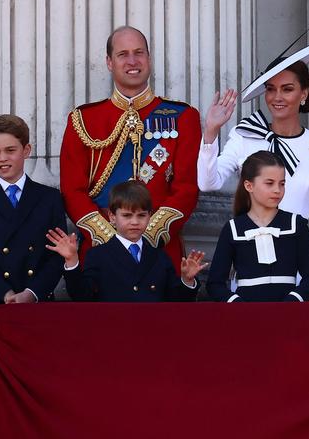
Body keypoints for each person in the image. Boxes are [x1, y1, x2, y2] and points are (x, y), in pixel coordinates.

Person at [59, 25, 202, 273]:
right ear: (109, 62)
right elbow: (72, 191)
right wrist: (110, 239)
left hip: (160, 253)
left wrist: (148, 236)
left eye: (139, 53)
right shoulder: (82, 120)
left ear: (149, 58)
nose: (132, 61)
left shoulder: (183, 117)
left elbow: (187, 188)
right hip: (100, 253)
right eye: (122, 54)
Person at [199, 42, 309, 292]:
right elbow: (208, 183)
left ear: (304, 93)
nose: (277, 97)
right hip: (248, 261)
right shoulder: (245, 136)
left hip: (298, 264)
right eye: (270, 89)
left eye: (287, 89)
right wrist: (210, 133)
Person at [46, 181, 207, 302]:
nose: (135, 222)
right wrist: (72, 261)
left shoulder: (159, 257)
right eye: (127, 216)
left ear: (150, 216)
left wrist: (187, 280)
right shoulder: (98, 255)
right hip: (113, 334)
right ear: (112, 217)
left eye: (141, 215)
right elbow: (82, 296)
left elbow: (176, 302)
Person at [206, 151, 309, 302]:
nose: (277, 190)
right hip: (247, 318)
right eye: (269, 183)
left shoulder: (296, 224)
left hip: (289, 317)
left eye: (282, 183)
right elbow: (215, 284)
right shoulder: (233, 229)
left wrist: (293, 301)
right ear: (249, 185)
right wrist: (238, 305)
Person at [0, 114, 66, 304]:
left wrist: (32, 293)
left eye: (10, 150)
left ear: (26, 150)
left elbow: (57, 255)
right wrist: (4, 293)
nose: (2, 158)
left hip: (37, 304)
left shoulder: (49, 198)